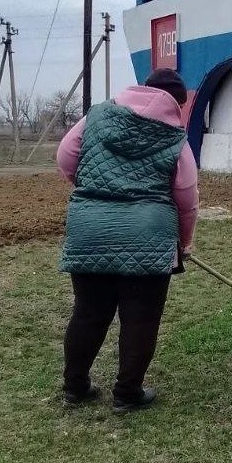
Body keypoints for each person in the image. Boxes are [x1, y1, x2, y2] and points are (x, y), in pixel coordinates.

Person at [56, 68, 198, 412]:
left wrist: (93, 187)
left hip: (90, 227)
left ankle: (75, 387)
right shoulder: (175, 136)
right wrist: (184, 241)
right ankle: (127, 393)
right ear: (177, 103)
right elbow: (186, 196)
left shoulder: (96, 116)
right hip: (149, 233)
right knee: (141, 319)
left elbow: (65, 156)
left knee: (88, 313)